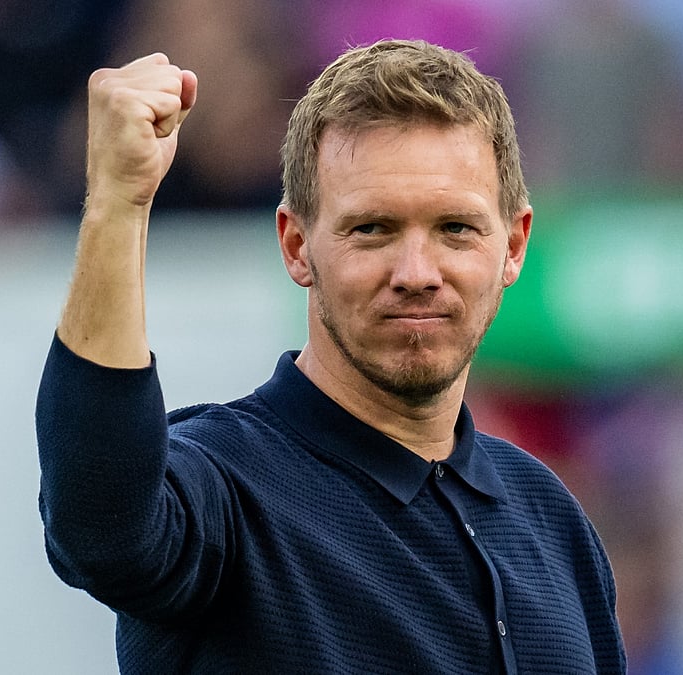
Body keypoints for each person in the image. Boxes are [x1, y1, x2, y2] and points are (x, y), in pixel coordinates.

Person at [36, 40, 627, 673]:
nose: (416, 272)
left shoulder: (551, 519)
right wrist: (119, 204)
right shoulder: (223, 488)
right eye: (372, 229)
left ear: (512, 246)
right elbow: (100, 527)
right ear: (296, 246)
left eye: (456, 228)